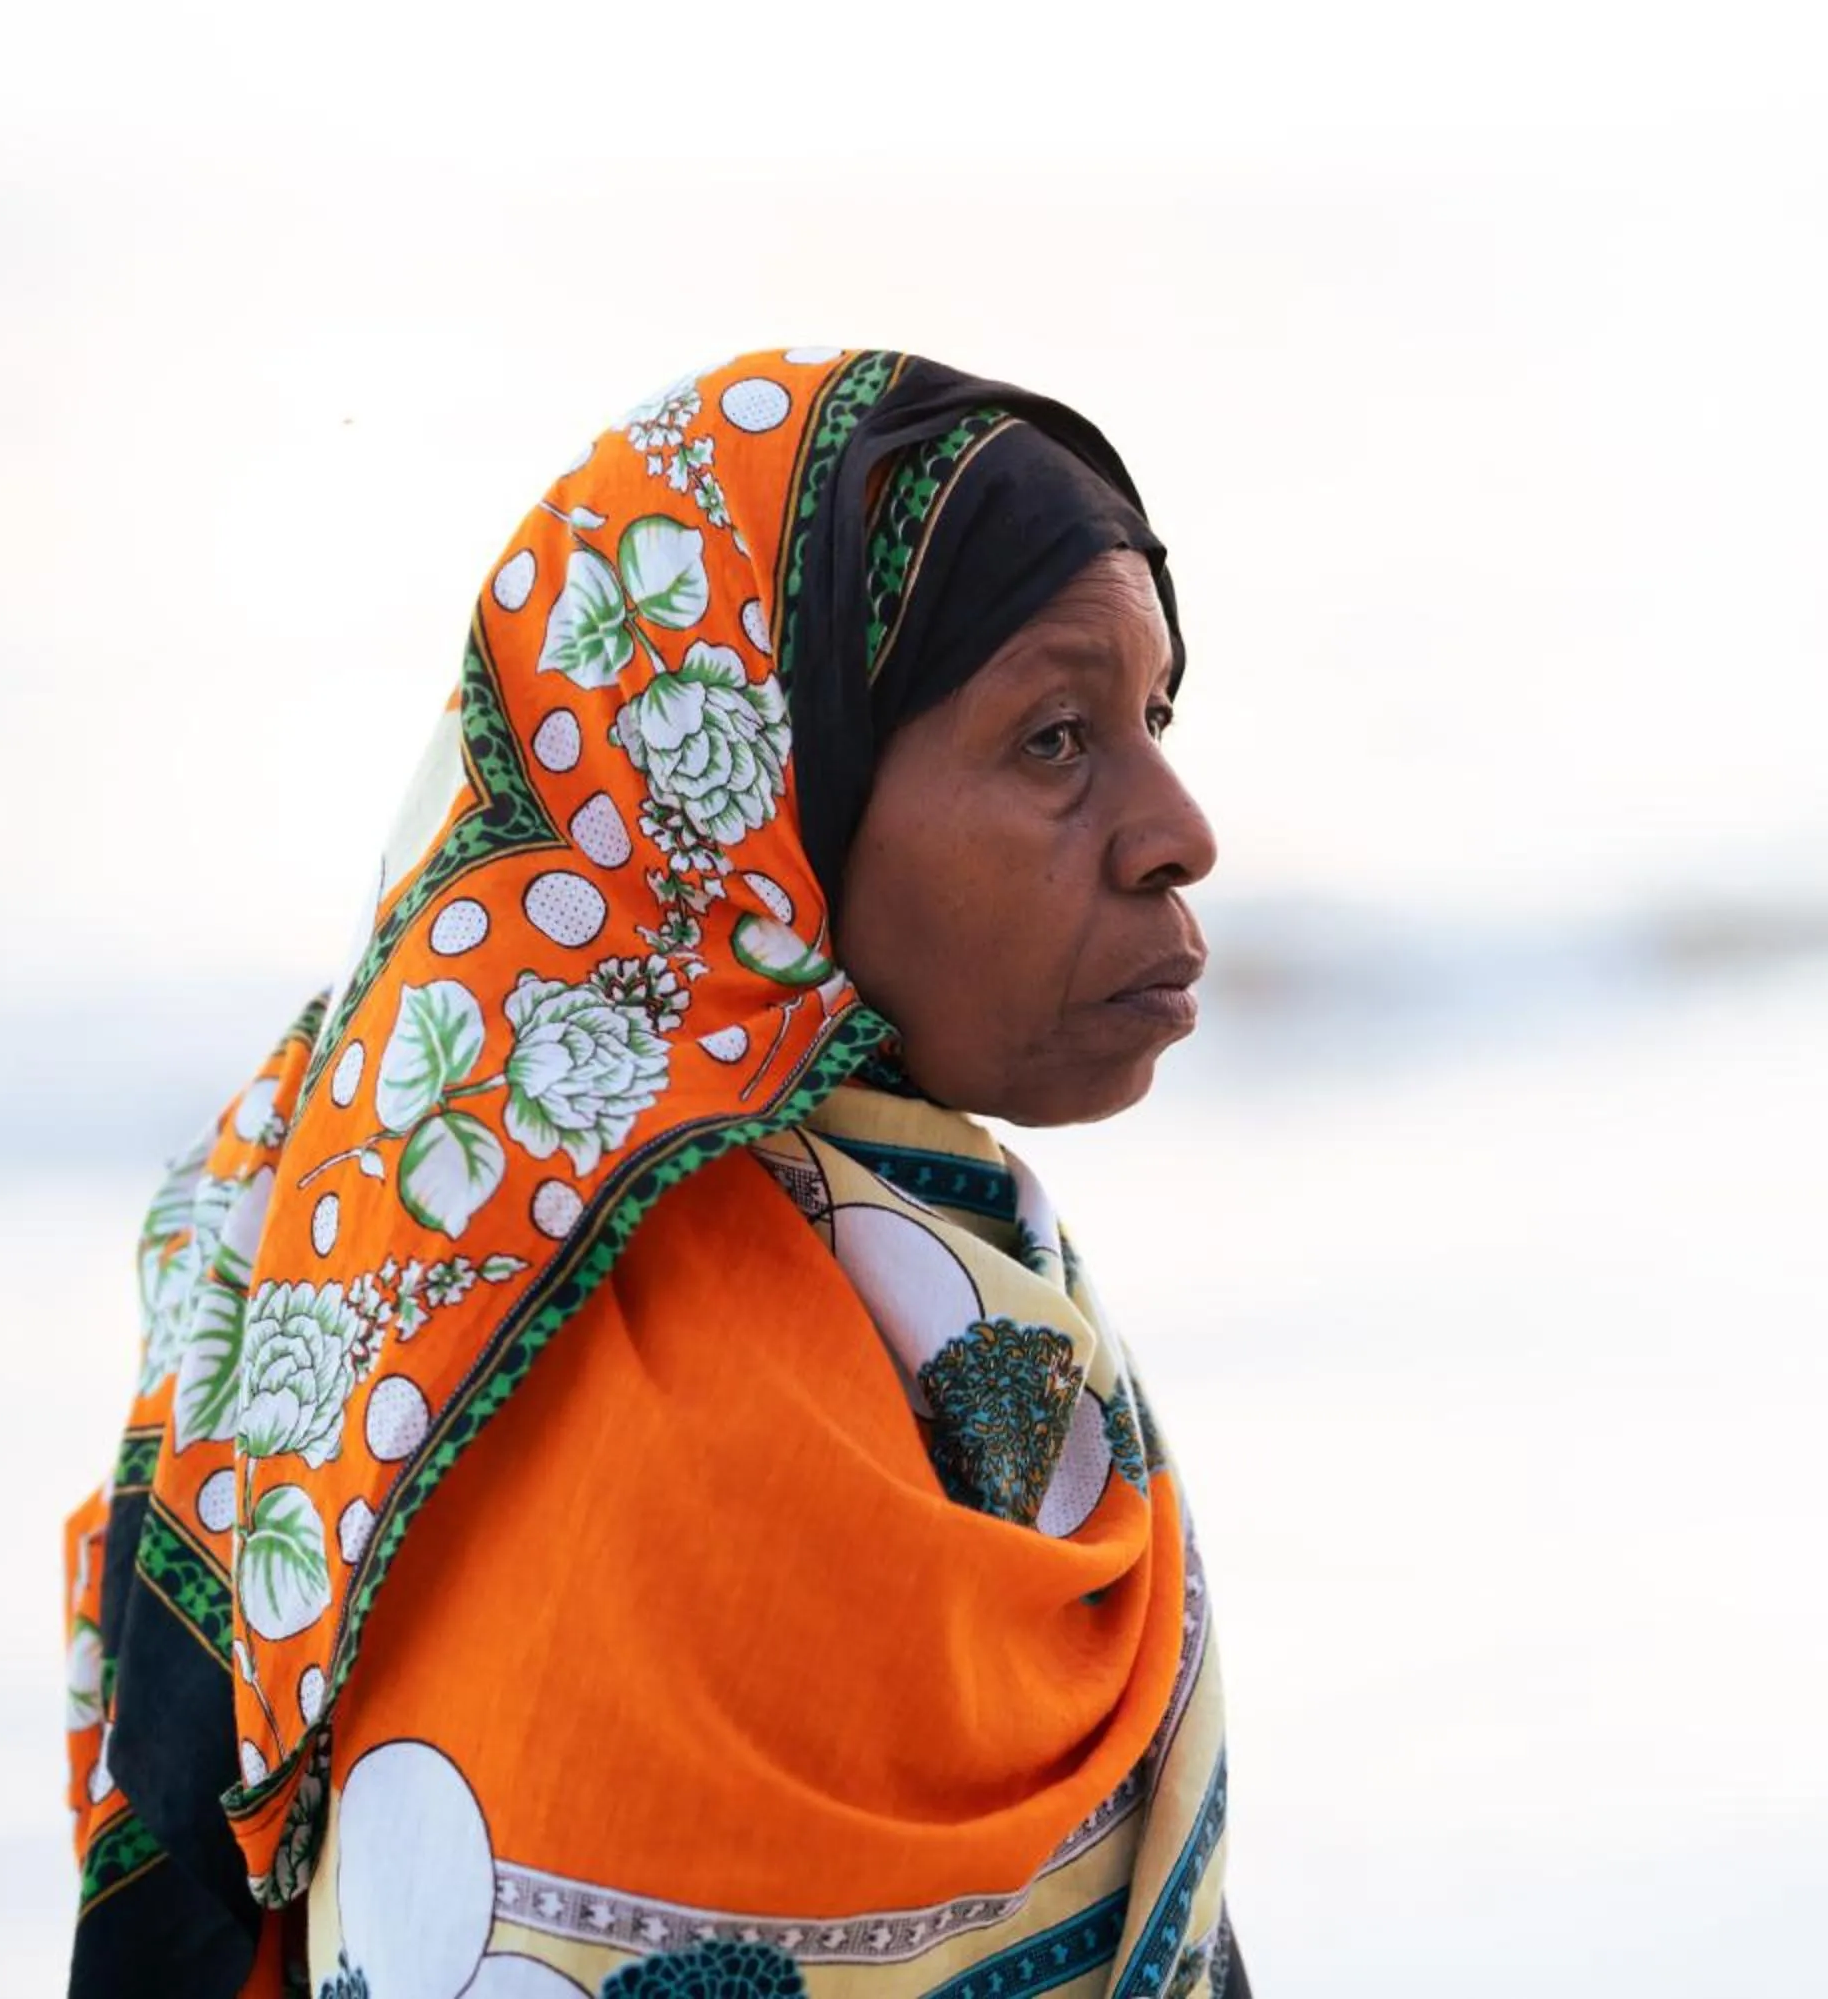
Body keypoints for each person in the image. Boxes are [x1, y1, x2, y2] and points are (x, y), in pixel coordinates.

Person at [60, 349, 1245, 1999]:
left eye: (1156, 716)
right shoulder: (588, 1400)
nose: (1179, 824)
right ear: (763, 788)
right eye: (1057, 737)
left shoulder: (950, 1280)